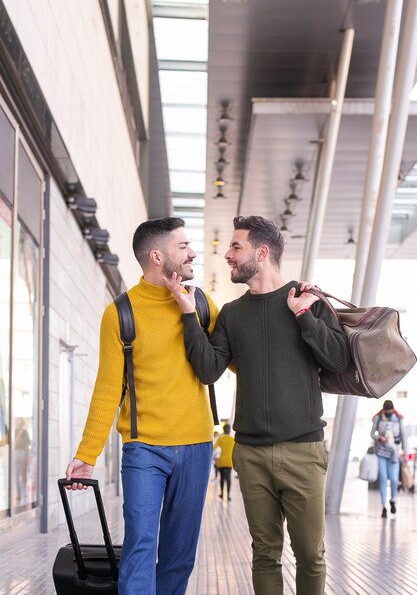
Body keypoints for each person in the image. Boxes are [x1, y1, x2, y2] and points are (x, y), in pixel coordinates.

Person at [164, 215, 350, 595]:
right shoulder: (233, 314)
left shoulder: (308, 299)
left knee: (311, 554)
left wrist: (303, 316)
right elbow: (208, 369)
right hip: (250, 454)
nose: (228, 255)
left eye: (236, 247)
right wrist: (187, 314)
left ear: (261, 253)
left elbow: (339, 360)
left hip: (303, 450)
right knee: (264, 553)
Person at [65, 217, 219, 595]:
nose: (192, 252)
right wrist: (87, 454)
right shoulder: (120, 313)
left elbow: (231, 357)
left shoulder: (200, 302)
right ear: (157, 256)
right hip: (143, 449)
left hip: (197, 445)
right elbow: (106, 390)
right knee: (140, 546)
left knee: (179, 554)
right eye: (183, 246)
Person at [371, 399, 407, 518]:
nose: (389, 413)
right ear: (384, 410)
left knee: (394, 479)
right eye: (387, 411)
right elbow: (372, 433)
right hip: (381, 453)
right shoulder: (378, 418)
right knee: (383, 478)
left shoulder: (398, 419)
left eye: (390, 411)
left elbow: (403, 436)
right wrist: (379, 437)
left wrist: (405, 453)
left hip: (394, 454)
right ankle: (383, 507)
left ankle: (393, 500)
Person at [214, 423, 235, 500]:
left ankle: (222, 494)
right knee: (228, 478)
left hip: (221, 461)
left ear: (223, 430)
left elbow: (215, 447)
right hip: (229, 461)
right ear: (229, 430)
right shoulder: (232, 439)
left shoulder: (220, 439)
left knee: (222, 478)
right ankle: (228, 495)